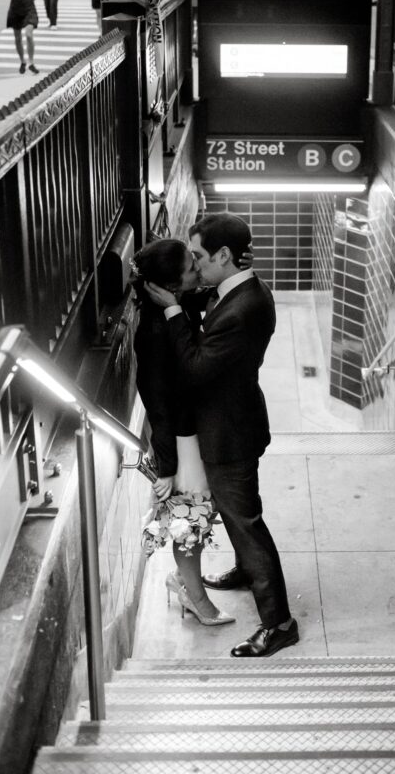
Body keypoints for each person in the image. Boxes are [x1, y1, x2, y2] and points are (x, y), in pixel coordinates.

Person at [146, 212, 299, 659]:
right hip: (233, 421)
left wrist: (173, 309)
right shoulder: (233, 291)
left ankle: (279, 624)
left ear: (224, 256)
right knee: (238, 516)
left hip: (229, 433)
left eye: (198, 256)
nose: (194, 265)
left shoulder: (244, 307)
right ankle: (245, 571)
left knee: (246, 522)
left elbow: (195, 369)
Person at [132, 239, 234, 626]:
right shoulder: (155, 335)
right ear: (172, 286)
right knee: (189, 524)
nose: (198, 267)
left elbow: (196, 299)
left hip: (194, 431)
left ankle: (183, 583)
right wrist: (168, 467)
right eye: (192, 266)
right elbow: (157, 404)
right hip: (180, 442)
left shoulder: (179, 308)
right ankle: (194, 596)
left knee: (199, 518)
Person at [2, 0, 40, 75]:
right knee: (18, 38)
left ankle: (31, 62)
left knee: (29, 34)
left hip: (29, 8)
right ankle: (22, 61)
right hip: (15, 9)